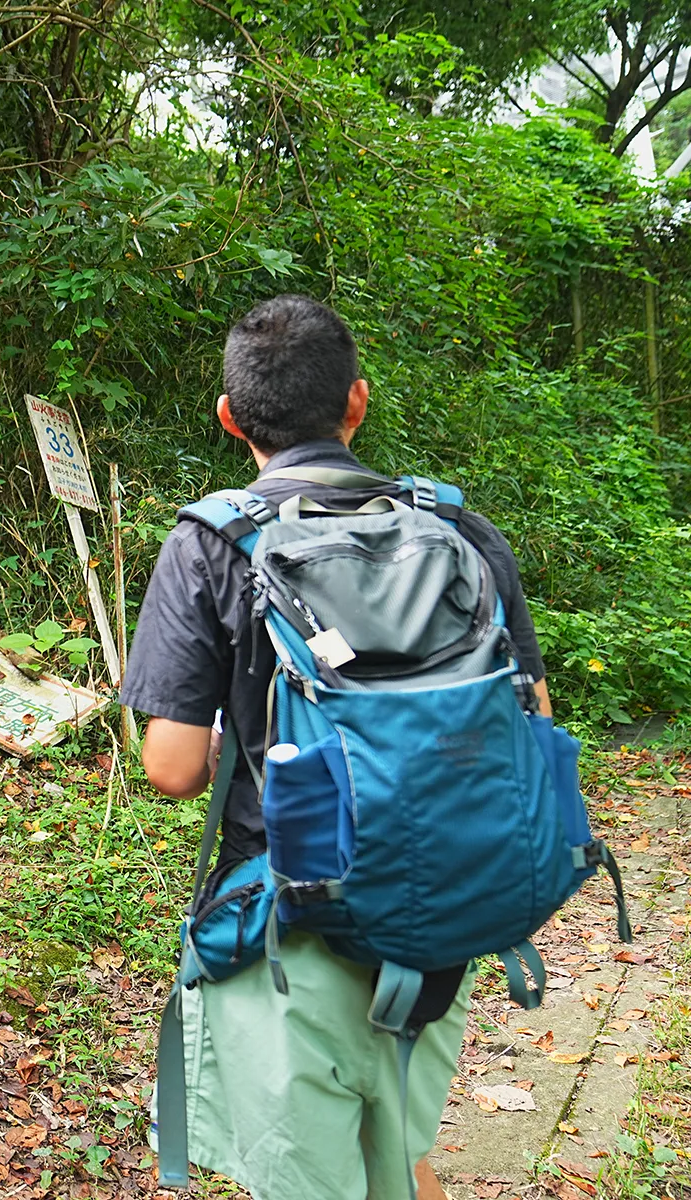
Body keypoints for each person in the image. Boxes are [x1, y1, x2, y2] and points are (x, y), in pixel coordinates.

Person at [122, 295, 551, 1200]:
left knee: (304, 1181)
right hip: (443, 907)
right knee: (402, 1158)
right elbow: (530, 719)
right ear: (356, 403)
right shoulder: (459, 532)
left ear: (230, 417)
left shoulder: (211, 543)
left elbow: (171, 769)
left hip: (288, 919)